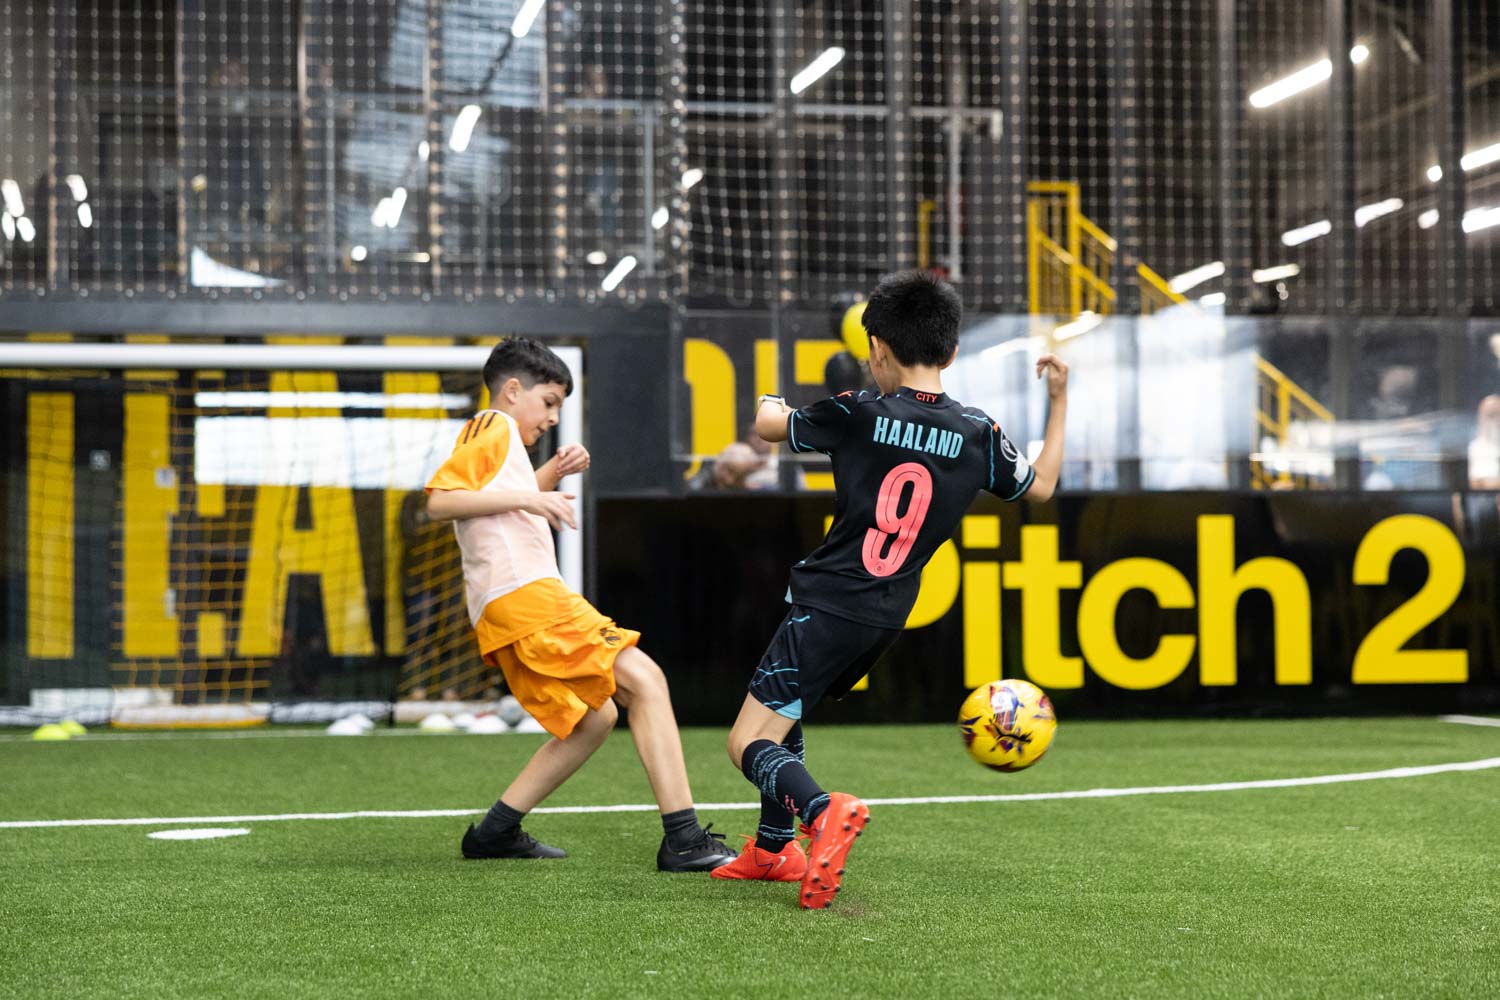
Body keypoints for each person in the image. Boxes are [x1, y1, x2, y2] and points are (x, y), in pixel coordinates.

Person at [711, 270, 1070, 908]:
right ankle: (772, 851)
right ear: (951, 352)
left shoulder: (858, 411)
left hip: (828, 601)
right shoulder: (977, 432)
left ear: (876, 347)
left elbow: (770, 425)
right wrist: (1060, 399)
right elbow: (1041, 486)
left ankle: (822, 815)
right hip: (885, 614)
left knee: (748, 741)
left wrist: (771, 397)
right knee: (788, 712)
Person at [424, 337, 736, 872]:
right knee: (647, 680)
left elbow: (487, 508)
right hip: (527, 597)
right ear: (513, 390)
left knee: (596, 718)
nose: (552, 418)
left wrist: (545, 479)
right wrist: (530, 495)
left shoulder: (503, 445)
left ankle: (496, 831)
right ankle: (684, 837)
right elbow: (439, 501)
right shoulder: (493, 425)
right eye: (549, 402)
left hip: (509, 606)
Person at [1470, 395, 1500, 490]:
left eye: (1496, 414)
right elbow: (1475, 484)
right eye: (1490, 415)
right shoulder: (1476, 448)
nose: (1495, 421)